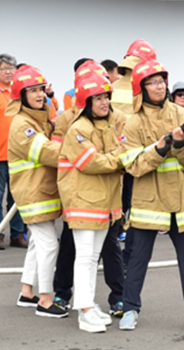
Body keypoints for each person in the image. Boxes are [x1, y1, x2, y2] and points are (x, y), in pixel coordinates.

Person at [118, 59, 184, 333]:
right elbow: (132, 165)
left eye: (162, 81)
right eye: (153, 82)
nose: (160, 86)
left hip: (180, 203)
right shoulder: (132, 123)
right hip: (149, 204)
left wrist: (181, 144)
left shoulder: (182, 116)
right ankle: (130, 309)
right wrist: (159, 149)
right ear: (142, 88)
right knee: (137, 259)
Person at [51, 60, 125, 317]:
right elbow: (92, 162)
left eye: (106, 96)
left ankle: (93, 304)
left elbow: (120, 150)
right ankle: (80, 306)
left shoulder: (109, 122)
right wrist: (121, 159)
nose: (104, 102)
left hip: (104, 201)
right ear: (85, 100)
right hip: (83, 202)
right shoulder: (76, 127)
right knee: (82, 256)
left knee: (95, 256)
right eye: (98, 98)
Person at [6, 65, 66, 318]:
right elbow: (48, 153)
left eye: (42, 89)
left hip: (41, 191)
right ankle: (45, 300)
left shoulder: (37, 120)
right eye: (33, 91)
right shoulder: (23, 125)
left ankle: (27, 292)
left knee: (35, 246)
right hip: (33, 194)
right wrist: (80, 153)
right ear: (22, 95)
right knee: (49, 245)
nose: (40, 94)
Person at [0, 54, 27, 250]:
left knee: (17, 198)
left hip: (18, 154)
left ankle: (18, 234)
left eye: (12, 68)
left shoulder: (20, 93)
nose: (9, 72)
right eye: (4, 69)